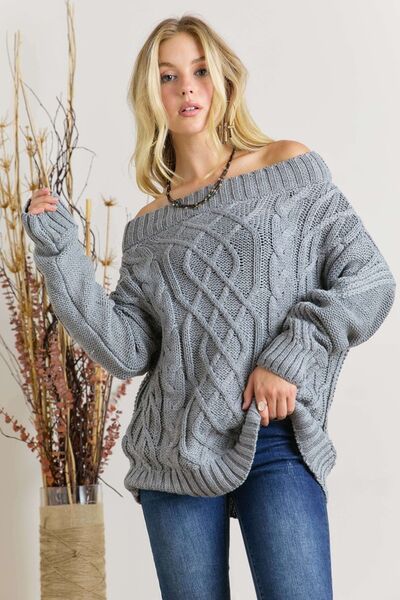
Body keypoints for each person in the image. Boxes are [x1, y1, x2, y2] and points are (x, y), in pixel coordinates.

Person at [22, 14, 396, 600]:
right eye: (168, 76)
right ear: (152, 96)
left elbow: (369, 280)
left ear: (224, 79)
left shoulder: (288, 168)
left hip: (273, 434)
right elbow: (127, 350)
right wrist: (60, 252)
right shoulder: (148, 227)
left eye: (199, 71)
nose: (187, 88)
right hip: (174, 448)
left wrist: (290, 355)